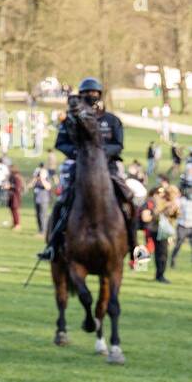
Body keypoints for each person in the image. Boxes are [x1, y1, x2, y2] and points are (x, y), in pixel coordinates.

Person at [40, 77, 131, 259]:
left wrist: (101, 153)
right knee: (62, 202)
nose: (90, 96)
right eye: (86, 93)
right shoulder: (71, 121)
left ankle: (135, 246)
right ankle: (53, 245)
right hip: (80, 167)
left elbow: (118, 144)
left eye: (94, 93)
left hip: (108, 167)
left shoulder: (112, 121)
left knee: (129, 199)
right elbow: (61, 143)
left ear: (99, 95)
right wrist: (78, 152)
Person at [31, 163, 54, 234]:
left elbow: (48, 187)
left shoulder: (47, 180)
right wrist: (35, 179)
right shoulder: (37, 181)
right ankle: (40, 230)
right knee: (38, 215)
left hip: (44, 200)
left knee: (43, 215)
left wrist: (42, 179)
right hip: (37, 199)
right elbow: (31, 185)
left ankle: (44, 231)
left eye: (41, 173)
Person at [7, 163, 25, 231]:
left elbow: (18, 187)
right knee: (12, 210)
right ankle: (14, 223)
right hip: (11, 195)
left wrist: (10, 186)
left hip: (15, 196)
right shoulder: (11, 176)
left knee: (15, 210)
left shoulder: (17, 177)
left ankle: (18, 224)